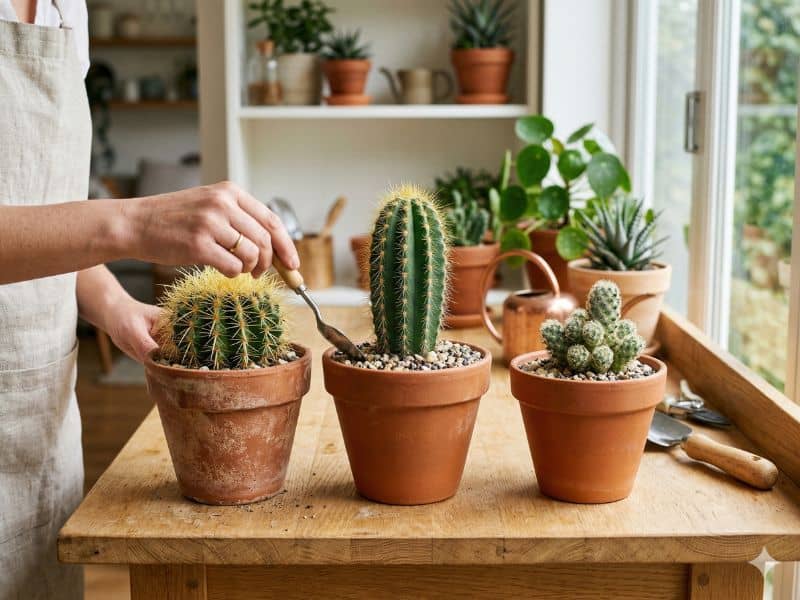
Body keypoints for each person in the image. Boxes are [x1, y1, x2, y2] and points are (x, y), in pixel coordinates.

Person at [0, 1, 300, 598]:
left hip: (36, 418)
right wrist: (131, 222)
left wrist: (114, 305)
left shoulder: (66, 8)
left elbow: (36, 204)